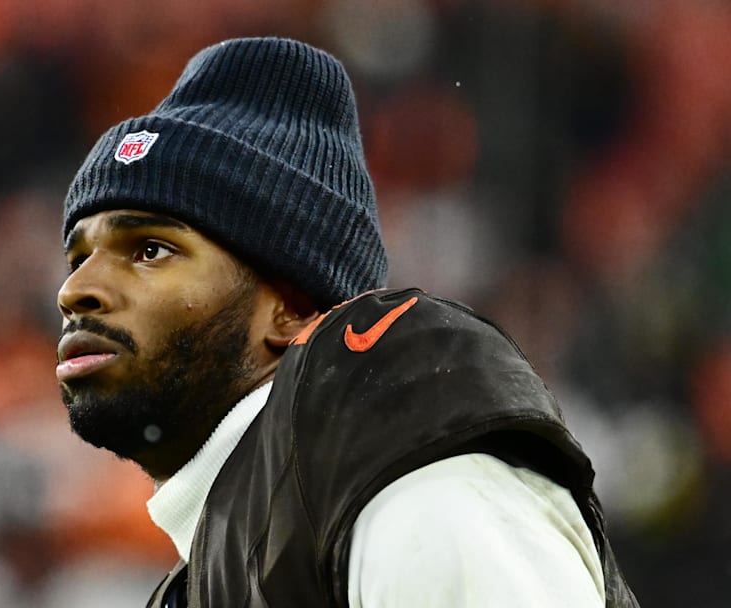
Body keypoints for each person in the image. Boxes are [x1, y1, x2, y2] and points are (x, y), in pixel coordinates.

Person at [55, 37, 638, 607]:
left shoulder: (423, 497)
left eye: (151, 250)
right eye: (79, 257)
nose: (75, 290)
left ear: (294, 307)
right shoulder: (251, 541)